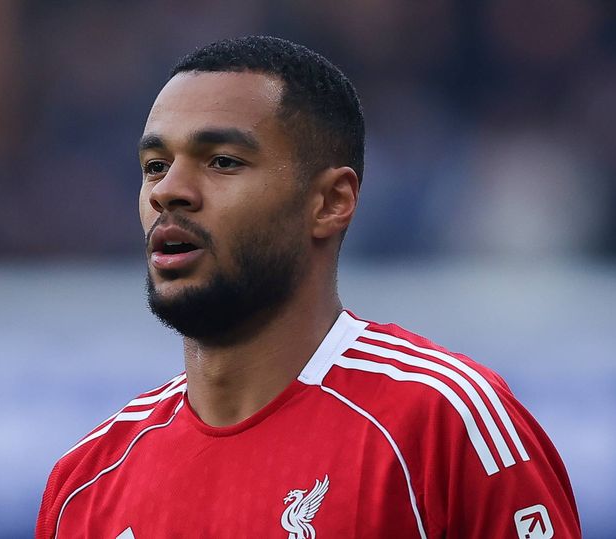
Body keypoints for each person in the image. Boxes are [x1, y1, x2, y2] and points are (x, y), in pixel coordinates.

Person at [36, 36, 580, 539]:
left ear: (331, 202)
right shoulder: (86, 484)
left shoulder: (442, 424)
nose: (169, 192)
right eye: (155, 166)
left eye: (222, 161)